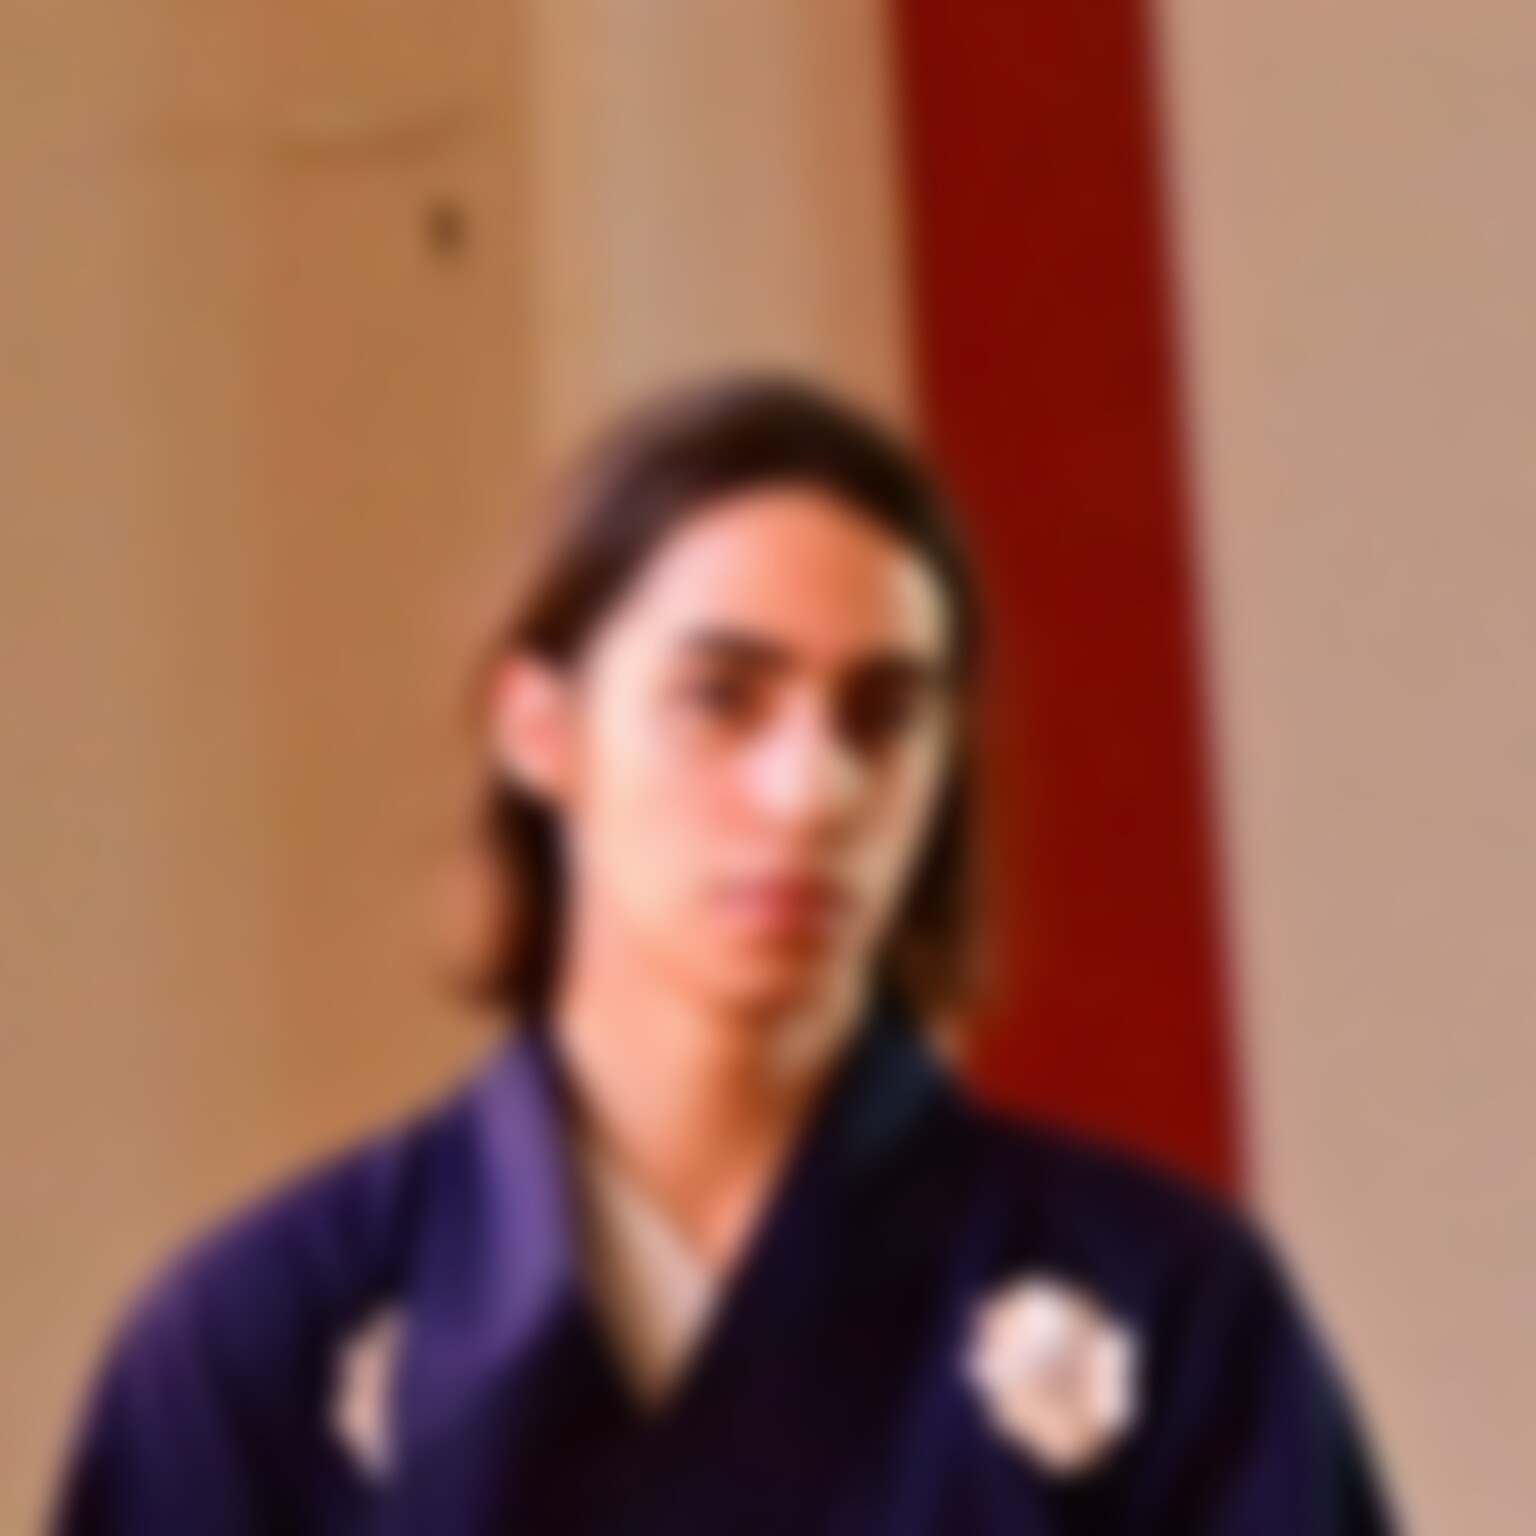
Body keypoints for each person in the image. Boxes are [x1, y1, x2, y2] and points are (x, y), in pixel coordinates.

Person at [51, 375, 1401, 1534]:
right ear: (540, 728)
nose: (810, 792)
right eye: (722, 700)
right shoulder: (257, 1345)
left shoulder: (1166, 1316)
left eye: (882, 716)